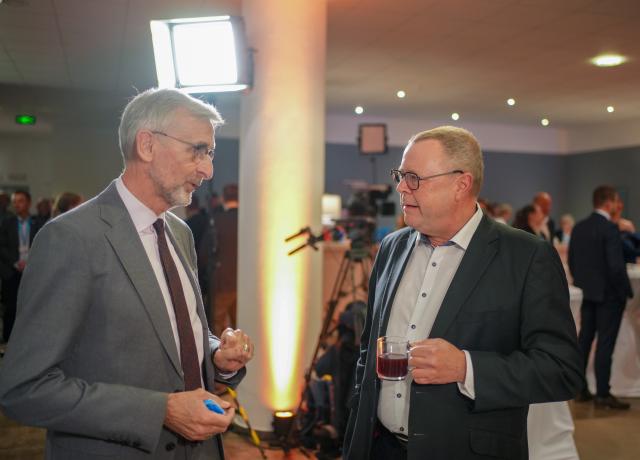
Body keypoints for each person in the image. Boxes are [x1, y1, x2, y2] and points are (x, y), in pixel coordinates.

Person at [0, 88, 254, 459]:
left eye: (210, 153)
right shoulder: (70, 238)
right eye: (197, 150)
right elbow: (24, 389)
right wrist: (160, 410)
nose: (208, 169)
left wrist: (215, 357)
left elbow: (172, 337)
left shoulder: (179, 234)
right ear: (147, 145)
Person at [343, 126, 583, 460]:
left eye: (413, 177)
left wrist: (465, 367)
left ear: (461, 184)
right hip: (379, 447)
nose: (400, 187)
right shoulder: (391, 248)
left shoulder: (526, 257)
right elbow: (369, 347)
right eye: (400, 174)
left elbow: (561, 370)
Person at [569, 185, 633, 409]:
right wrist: (625, 291)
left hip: (588, 294)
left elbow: (573, 263)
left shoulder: (579, 228)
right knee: (605, 344)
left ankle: (579, 388)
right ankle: (603, 394)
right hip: (608, 297)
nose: (618, 206)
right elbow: (616, 267)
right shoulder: (609, 229)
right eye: (616, 202)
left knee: (584, 341)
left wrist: (584, 284)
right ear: (609, 203)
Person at [0, 190, 43, 342]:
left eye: (20, 201)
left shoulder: (37, 223)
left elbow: (43, 246)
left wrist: (29, 261)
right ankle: (7, 342)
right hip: (11, 272)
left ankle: (28, 341)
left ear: (28, 203)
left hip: (31, 271)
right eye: (15, 201)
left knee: (30, 307)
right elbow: (2, 246)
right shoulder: (7, 222)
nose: (17, 204)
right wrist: (15, 262)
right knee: (11, 309)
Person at [210, 184, 239, 336]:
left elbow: (205, 252)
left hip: (222, 283)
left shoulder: (217, 221)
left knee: (218, 327)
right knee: (242, 325)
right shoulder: (248, 221)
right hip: (244, 284)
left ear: (223, 199)